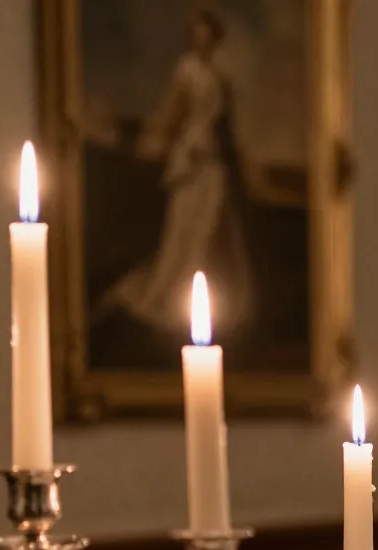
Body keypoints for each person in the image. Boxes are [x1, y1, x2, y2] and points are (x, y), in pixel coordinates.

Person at [98, 9, 252, 336]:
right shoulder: (187, 70)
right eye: (198, 31)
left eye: (208, 33)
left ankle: (211, 307)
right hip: (191, 159)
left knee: (212, 228)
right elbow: (173, 112)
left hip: (214, 163)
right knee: (186, 229)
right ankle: (179, 302)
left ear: (215, 38)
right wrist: (150, 140)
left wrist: (241, 164)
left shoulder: (221, 81)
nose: (202, 38)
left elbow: (228, 128)